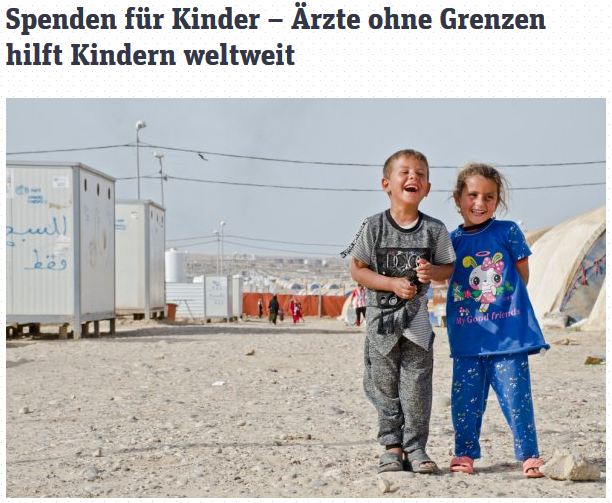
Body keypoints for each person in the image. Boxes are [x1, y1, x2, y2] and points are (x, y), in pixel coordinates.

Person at [341, 149, 455, 474]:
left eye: (420, 173)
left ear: (428, 188)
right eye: (404, 172)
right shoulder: (373, 226)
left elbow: (449, 267)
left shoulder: (434, 229)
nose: (412, 177)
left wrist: (433, 271)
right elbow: (358, 270)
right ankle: (392, 446)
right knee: (384, 385)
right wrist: (391, 284)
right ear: (386, 184)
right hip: (381, 323)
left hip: (417, 323)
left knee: (417, 386)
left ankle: (416, 448)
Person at [446, 163, 550, 477]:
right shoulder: (451, 242)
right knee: (465, 401)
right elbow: (443, 276)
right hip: (468, 339)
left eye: (489, 196)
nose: (480, 202)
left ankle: (529, 455)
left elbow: (522, 277)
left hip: (509, 337)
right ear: (458, 199)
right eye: (473, 195)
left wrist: (501, 305)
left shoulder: (508, 232)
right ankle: (464, 454)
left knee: (517, 398)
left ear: (497, 201)